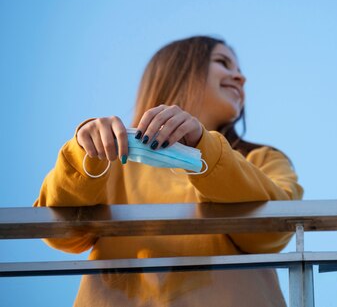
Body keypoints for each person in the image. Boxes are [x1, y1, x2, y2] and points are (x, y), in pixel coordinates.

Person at [35, 36, 303, 307]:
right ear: (179, 71)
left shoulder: (263, 159)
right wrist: (85, 151)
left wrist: (203, 146)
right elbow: (59, 233)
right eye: (223, 62)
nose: (241, 78)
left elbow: (274, 232)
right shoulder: (112, 159)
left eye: (239, 69)